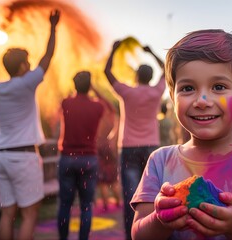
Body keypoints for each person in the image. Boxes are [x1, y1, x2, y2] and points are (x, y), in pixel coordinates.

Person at [130, 29, 232, 240]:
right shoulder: (160, 161)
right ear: (173, 97)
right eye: (188, 88)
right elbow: (138, 234)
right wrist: (159, 220)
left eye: (219, 86)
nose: (202, 101)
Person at [0, 10, 59, 240]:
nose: (30, 65)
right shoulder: (25, 84)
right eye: (27, 63)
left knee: (7, 213)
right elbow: (47, 57)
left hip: (2, 157)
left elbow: (41, 61)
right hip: (24, 158)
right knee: (29, 214)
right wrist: (53, 27)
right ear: (20, 67)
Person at [104, 42, 166, 240]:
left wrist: (114, 50)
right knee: (153, 195)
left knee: (131, 197)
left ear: (136, 76)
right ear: (150, 77)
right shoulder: (157, 92)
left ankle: (132, 235)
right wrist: (152, 52)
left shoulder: (127, 92)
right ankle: (153, 232)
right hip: (151, 148)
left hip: (129, 148)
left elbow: (107, 72)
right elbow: (166, 69)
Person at [57, 71, 104, 240]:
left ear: (74, 84)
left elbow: (63, 102)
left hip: (68, 158)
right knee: (86, 205)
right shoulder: (97, 106)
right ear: (89, 86)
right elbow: (108, 105)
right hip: (89, 160)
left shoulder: (66, 103)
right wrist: (95, 90)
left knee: (65, 204)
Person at [96, 88, 122, 210]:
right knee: (113, 176)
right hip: (111, 148)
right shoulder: (115, 116)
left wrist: (93, 89)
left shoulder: (103, 114)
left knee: (102, 178)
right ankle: (118, 202)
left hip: (100, 147)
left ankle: (106, 204)